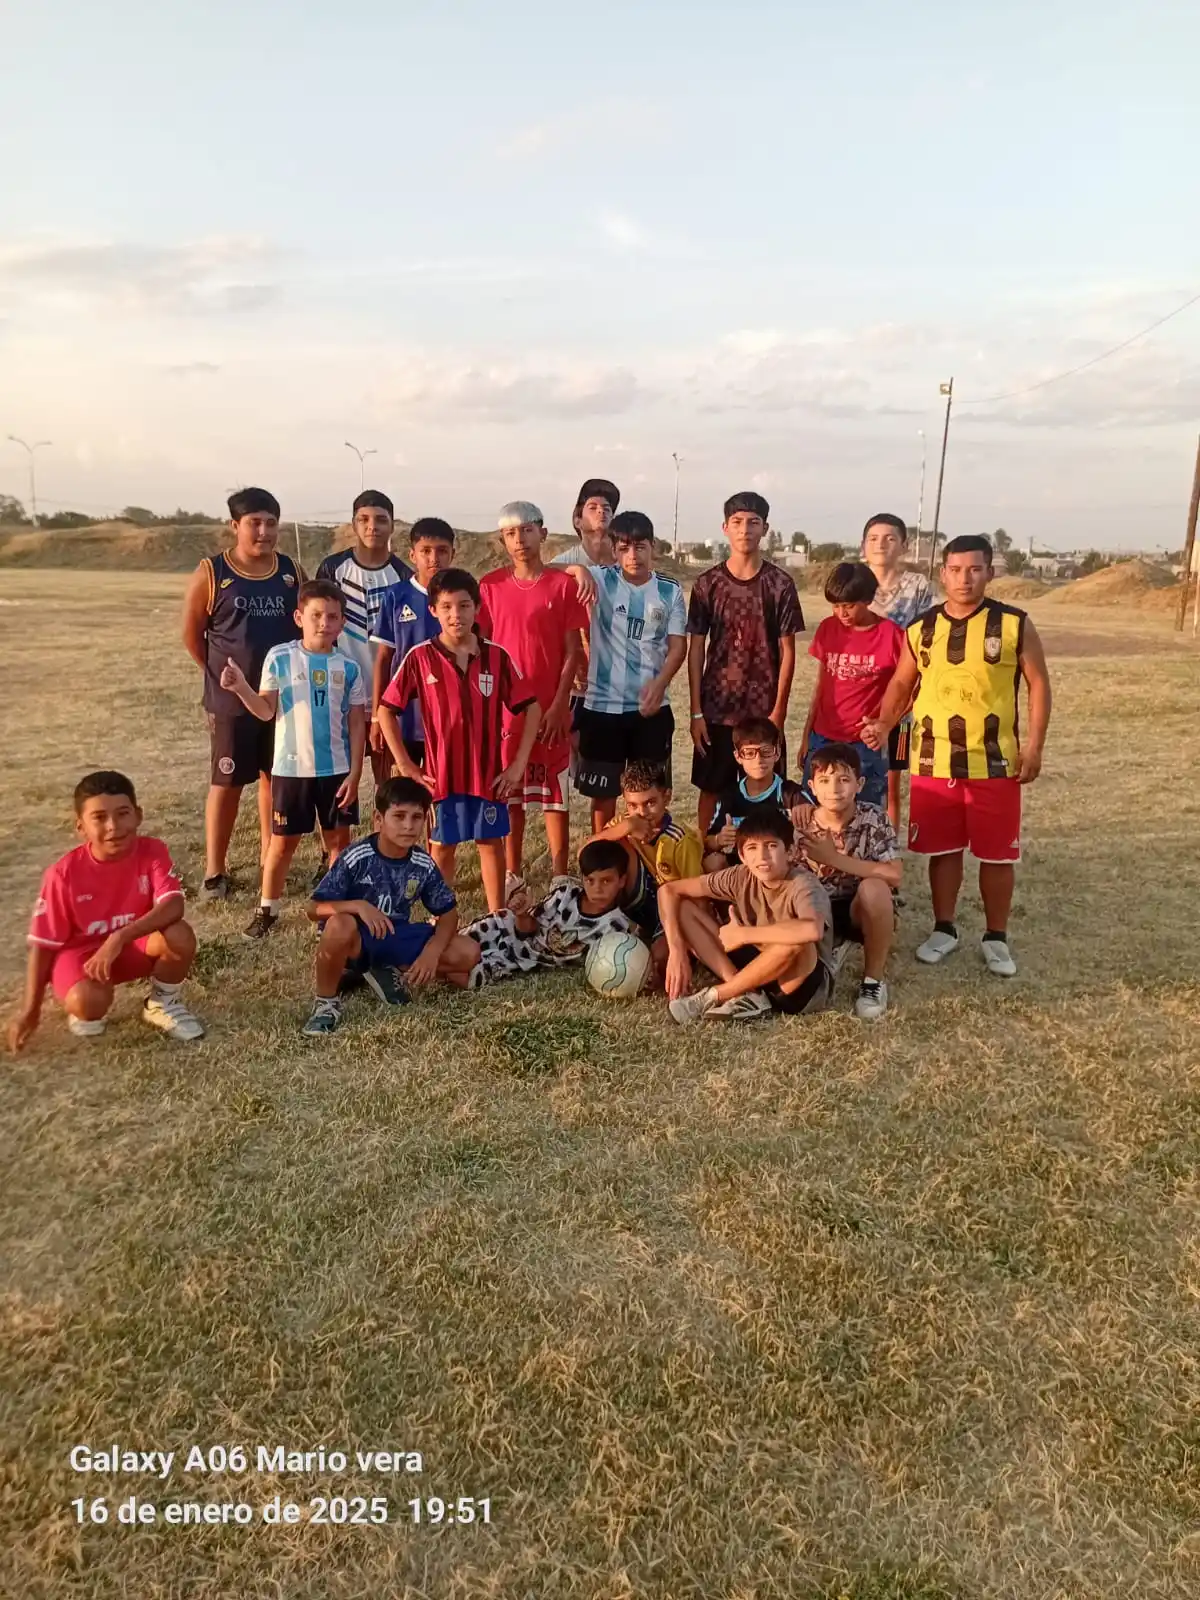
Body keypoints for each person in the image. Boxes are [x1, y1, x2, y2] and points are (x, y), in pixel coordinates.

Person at [861, 534, 1052, 977]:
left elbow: (1039, 683)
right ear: (943, 572)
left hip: (995, 760)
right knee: (941, 850)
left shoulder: (1013, 624)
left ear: (989, 571)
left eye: (975, 569)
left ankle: (996, 936)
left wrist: (1035, 746)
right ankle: (944, 928)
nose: (964, 578)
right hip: (933, 760)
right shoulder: (922, 628)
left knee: (996, 854)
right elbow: (901, 684)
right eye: (956, 569)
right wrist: (885, 723)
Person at [377, 567, 540, 913]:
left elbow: (532, 708)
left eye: (464, 606)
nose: (456, 615)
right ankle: (443, 922)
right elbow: (386, 710)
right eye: (447, 607)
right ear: (433, 610)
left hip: (488, 775)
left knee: (491, 843)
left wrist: (518, 764)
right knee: (442, 848)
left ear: (477, 607)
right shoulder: (420, 657)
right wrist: (406, 765)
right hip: (441, 777)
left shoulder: (496, 657)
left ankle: (497, 919)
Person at [8, 771, 205, 1050]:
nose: (113, 826)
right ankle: (86, 995)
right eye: (99, 818)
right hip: (84, 956)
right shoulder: (62, 875)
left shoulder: (152, 851)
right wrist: (30, 1011)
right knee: (88, 1006)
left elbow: (173, 904)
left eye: (122, 813)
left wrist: (120, 937)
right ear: (81, 828)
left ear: (138, 815)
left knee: (179, 934)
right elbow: (43, 945)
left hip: (131, 945)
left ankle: (162, 1004)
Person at [219, 578, 368, 938]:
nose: (324, 623)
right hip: (291, 770)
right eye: (316, 615)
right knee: (282, 844)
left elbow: (357, 725)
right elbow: (266, 711)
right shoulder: (281, 657)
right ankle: (267, 909)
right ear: (299, 617)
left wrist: (356, 773)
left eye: (333, 617)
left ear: (342, 623)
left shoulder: (348, 669)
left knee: (338, 843)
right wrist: (241, 688)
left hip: (336, 771)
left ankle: (331, 911)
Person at [180, 486, 302, 901]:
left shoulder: (290, 572)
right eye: (255, 523)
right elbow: (192, 635)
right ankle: (216, 870)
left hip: (280, 699)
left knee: (275, 778)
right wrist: (219, 678)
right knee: (228, 781)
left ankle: (271, 858)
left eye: (271, 523)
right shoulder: (213, 573)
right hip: (231, 702)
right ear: (235, 526)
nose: (264, 532)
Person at [302, 776, 481, 1034]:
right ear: (378, 819)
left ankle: (386, 970)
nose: (408, 826)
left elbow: (449, 914)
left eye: (416, 817)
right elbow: (313, 909)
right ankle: (326, 1004)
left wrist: (432, 952)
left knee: (468, 952)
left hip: (395, 934)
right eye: (399, 816)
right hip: (356, 940)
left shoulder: (423, 863)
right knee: (341, 923)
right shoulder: (356, 856)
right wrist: (358, 906)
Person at [478, 502, 589, 892]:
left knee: (555, 792)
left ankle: (561, 873)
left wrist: (560, 704)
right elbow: (483, 648)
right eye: (510, 534)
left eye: (526, 531)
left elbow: (573, 650)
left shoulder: (562, 585)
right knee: (513, 791)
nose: (519, 540)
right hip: (508, 711)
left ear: (542, 533)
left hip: (551, 707)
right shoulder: (490, 586)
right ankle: (513, 871)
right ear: (503, 540)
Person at [687, 490, 805, 840]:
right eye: (737, 522)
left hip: (762, 713)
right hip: (716, 709)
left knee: (765, 790)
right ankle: (708, 856)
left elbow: (788, 652)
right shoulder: (708, 584)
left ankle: (766, 864)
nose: (745, 529)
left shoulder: (780, 584)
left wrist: (779, 714)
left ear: (765, 528)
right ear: (725, 528)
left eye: (753, 522)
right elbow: (696, 648)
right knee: (710, 789)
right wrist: (696, 712)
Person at [659, 809, 834, 1025]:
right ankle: (748, 993)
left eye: (771, 846)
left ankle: (717, 995)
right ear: (742, 855)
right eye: (752, 848)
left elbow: (812, 930)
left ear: (790, 852)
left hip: (797, 984)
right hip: (755, 959)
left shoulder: (804, 884)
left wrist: (743, 934)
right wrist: (676, 951)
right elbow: (668, 891)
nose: (762, 857)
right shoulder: (740, 875)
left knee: (796, 939)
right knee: (684, 908)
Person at [575, 511, 688, 831]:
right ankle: (605, 863)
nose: (632, 556)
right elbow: (549, 571)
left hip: (650, 712)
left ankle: (650, 864)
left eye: (640, 547)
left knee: (652, 794)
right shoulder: (600, 579)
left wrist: (660, 683)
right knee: (604, 796)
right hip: (602, 709)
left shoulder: (669, 590)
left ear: (653, 547)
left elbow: (678, 646)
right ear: (613, 550)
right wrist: (578, 568)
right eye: (624, 548)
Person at [790, 742, 902, 1021]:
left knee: (875, 887)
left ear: (859, 784)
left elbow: (894, 874)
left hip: (858, 907)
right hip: (817, 910)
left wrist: (834, 858)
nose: (835, 789)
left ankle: (873, 983)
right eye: (825, 781)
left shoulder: (874, 817)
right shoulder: (799, 823)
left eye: (843, 779)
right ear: (812, 787)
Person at [317, 490, 412, 788]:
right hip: (341, 696)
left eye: (381, 520)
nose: (373, 526)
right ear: (354, 524)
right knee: (340, 790)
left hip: (390, 699)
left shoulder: (403, 575)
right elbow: (316, 634)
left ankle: (387, 836)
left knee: (392, 788)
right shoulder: (333, 569)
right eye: (364, 519)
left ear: (393, 525)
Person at [461, 838, 635, 986]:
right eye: (590, 880)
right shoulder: (564, 896)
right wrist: (522, 914)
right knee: (453, 946)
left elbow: (623, 963)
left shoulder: (616, 927)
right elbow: (527, 930)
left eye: (606, 881)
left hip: (520, 960)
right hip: (502, 929)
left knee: (463, 976)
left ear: (622, 880)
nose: (597, 889)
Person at [800, 562, 904, 810]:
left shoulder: (891, 635)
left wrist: (884, 724)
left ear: (867, 599)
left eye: (848, 606)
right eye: (836, 606)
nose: (841, 613)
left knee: (864, 815)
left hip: (864, 744)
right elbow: (822, 685)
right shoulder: (827, 628)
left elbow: (911, 687)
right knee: (812, 814)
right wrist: (806, 735)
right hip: (822, 738)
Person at [587, 761, 703, 983]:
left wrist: (685, 940)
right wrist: (624, 829)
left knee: (655, 965)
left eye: (650, 803)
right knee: (613, 847)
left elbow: (696, 897)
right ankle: (610, 924)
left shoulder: (679, 840)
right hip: (636, 901)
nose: (641, 812)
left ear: (666, 797)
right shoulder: (624, 823)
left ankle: (667, 946)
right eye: (632, 805)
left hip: (671, 911)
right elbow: (587, 853)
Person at [861, 512, 938, 827]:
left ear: (904, 546)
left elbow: (928, 639)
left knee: (892, 777)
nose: (882, 545)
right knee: (856, 773)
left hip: (903, 698)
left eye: (890, 538)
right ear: (864, 545)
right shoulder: (855, 581)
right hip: (859, 693)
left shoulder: (918, 586)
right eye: (874, 538)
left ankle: (888, 844)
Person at [369, 517, 457, 782]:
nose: (434, 558)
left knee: (439, 795)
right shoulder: (396, 596)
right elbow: (384, 660)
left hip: (445, 720)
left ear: (453, 554)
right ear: (412, 555)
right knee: (398, 795)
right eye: (426, 551)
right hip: (402, 717)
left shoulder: (459, 599)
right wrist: (376, 718)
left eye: (442, 551)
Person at [703, 717, 806, 872]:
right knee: (712, 862)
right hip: (741, 871)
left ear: (777, 753)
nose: (758, 760)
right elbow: (708, 842)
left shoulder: (792, 794)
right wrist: (719, 839)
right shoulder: (728, 796)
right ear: (738, 757)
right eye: (749, 753)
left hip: (782, 870)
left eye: (765, 752)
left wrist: (808, 811)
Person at [550, 478, 620, 568]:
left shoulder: (628, 562)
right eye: (593, 508)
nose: (601, 511)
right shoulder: (564, 563)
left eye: (606, 508)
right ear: (577, 521)